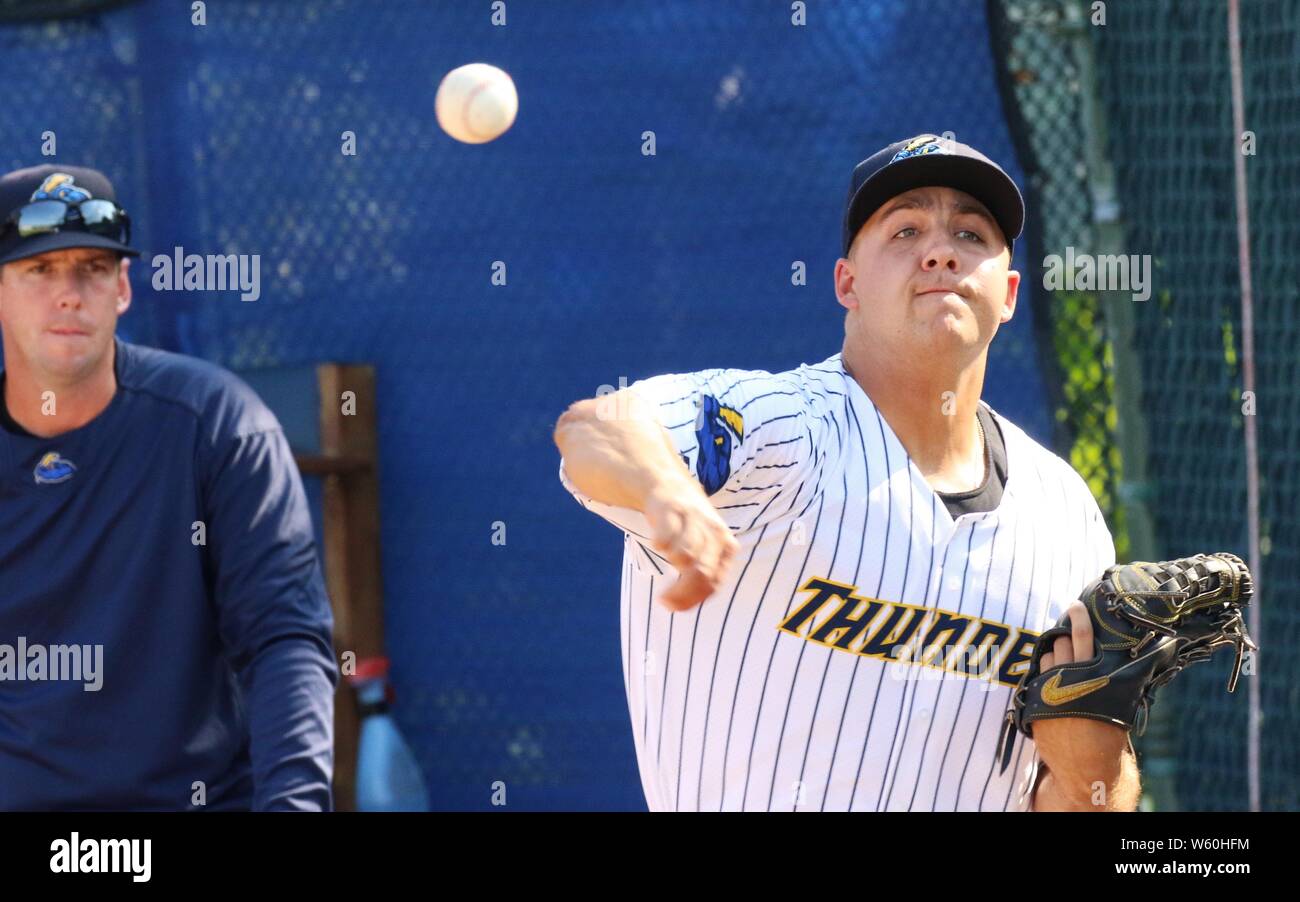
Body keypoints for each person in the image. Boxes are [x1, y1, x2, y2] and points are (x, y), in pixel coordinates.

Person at [553, 134, 1139, 811]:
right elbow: (597, 428)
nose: (941, 250)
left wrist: (1097, 773)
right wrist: (666, 493)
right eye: (906, 229)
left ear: (1007, 294)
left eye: (971, 233)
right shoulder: (784, 434)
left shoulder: (1064, 518)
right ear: (847, 284)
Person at [0, 164, 337, 810]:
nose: (68, 293)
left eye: (92, 269)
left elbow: (283, 638)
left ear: (122, 289)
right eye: (40, 270)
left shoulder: (220, 426)